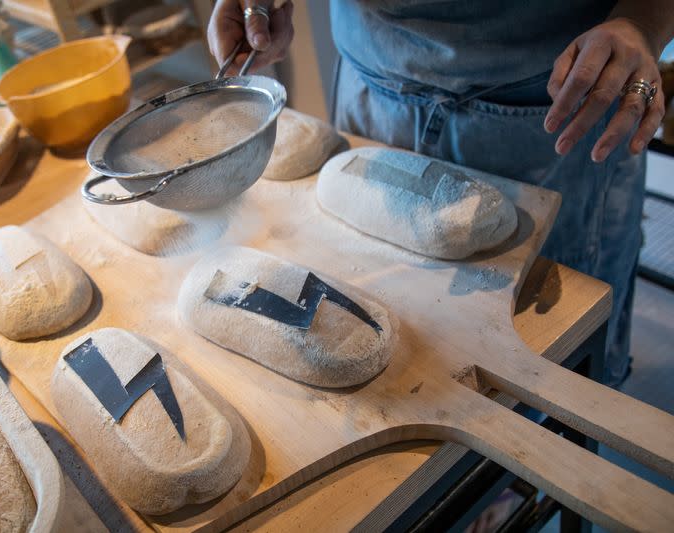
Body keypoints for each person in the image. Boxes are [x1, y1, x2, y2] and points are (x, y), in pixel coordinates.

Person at [207, 1, 674, 387]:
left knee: (551, 362)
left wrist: (643, 22)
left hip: (555, 108)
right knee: (394, 322)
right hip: (373, 87)